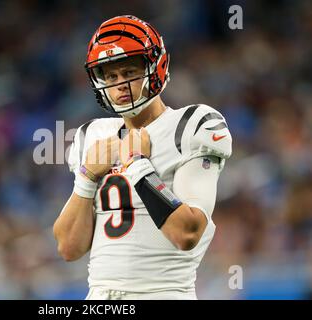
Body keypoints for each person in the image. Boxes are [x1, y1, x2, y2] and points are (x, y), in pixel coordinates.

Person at [53, 15, 232, 300]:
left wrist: (138, 165)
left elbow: (187, 233)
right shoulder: (93, 135)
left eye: (129, 72)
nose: (120, 84)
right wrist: (87, 177)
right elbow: (68, 248)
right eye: (111, 76)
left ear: (155, 68)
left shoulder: (191, 125)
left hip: (161, 293)